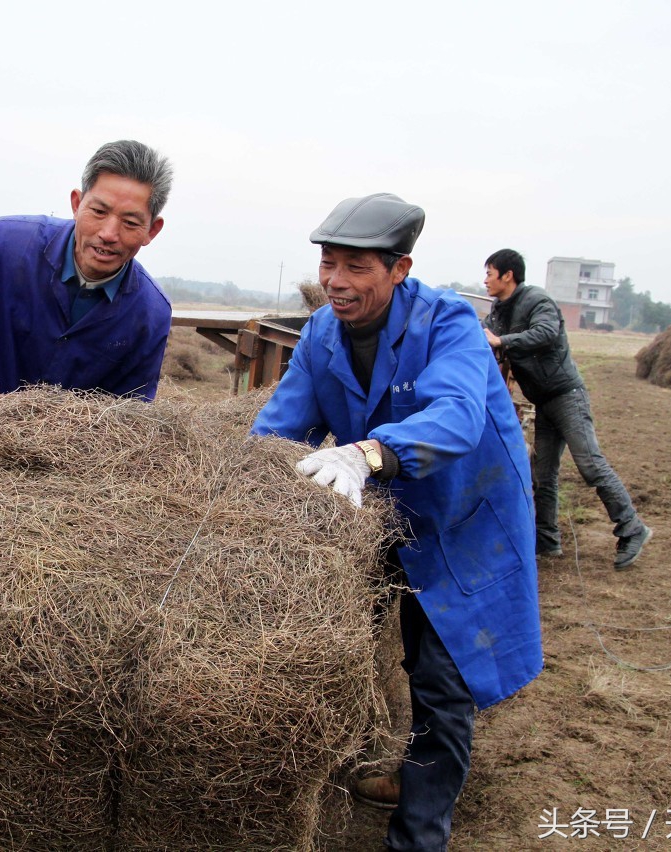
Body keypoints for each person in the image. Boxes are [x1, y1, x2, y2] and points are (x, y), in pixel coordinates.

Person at [251, 194, 543, 851]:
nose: (336, 281)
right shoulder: (323, 333)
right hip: (379, 512)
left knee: (441, 677)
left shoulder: (449, 325)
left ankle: (419, 833)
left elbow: (461, 415)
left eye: (356, 267)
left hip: (462, 518)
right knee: (345, 637)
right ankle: (407, 770)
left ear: (399, 268)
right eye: (329, 264)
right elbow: (279, 426)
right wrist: (240, 485)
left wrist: (367, 451)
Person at [0, 140, 173, 411]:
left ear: (152, 230)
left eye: (130, 222)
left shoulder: (150, 312)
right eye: (99, 211)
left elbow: (130, 416)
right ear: (77, 204)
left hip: (67, 450)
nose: (108, 233)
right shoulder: (2, 246)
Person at [481, 249, 652, 570]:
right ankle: (546, 540)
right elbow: (486, 336)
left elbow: (546, 333)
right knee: (542, 474)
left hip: (566, 395)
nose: (485, 279)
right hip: (543, 400)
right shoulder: (499, 310)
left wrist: (503, 342)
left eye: (490, 272)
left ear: (508, 275)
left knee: (589, 464)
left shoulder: (537, 301)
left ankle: (632, 528)